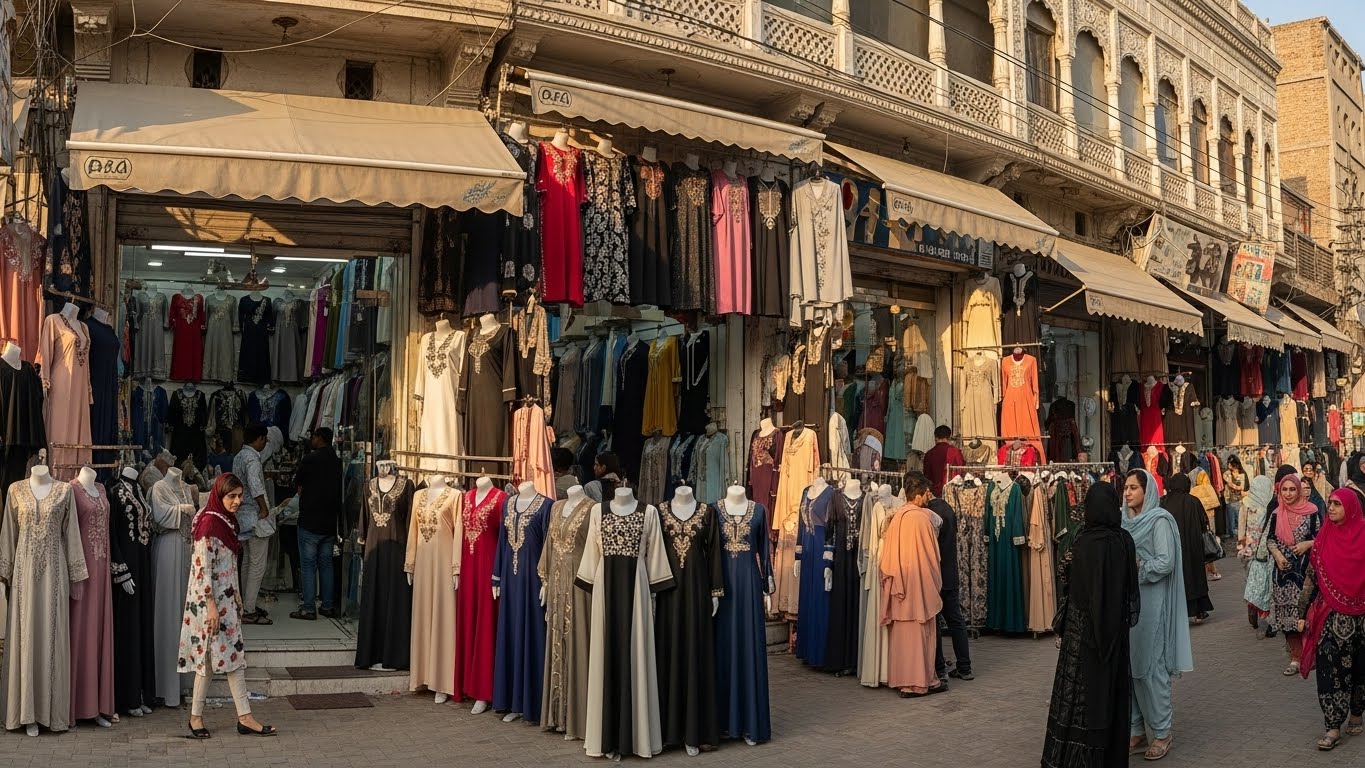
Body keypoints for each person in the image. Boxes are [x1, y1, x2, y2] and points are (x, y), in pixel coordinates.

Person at [1041, 482, 1140, 768]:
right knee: (1111, 692)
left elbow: (1067, 581)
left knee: (1078, 697)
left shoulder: (1081, 541)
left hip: (1080, 632)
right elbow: (1131, 592)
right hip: (1114, 634)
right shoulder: (1123, 540)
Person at [181, 474, 277, 738]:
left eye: (239, 495)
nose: (237, 501)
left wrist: (236, 596)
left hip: (225, 601)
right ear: (219, 495)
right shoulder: (210, 523)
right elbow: (202, 568)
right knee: (210, 660)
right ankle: (201, 718)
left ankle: (240, 717)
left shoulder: (224, 521)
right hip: (210, 603)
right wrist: (212, 605)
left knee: (229, 658)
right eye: (231, 496)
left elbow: (228, 564)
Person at [1121, 469, 1193, 762]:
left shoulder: (1159, 521)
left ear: (1147, 491)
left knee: (1152, 668)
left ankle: (1162, 732)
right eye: (1125, 488)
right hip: (1128, 604)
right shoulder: (1123, 521)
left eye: (1133, 488)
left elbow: (1166, 561)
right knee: (1129, 668)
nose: (1127, 493)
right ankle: (1136, 729)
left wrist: (1138, 568)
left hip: (1152, 603)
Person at [1296, 489, 1365, 751]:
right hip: (1331, 618)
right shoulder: (1324, 538)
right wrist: (1301, 612)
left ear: (1351, 507)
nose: (1332, 508)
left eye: (1337, 504)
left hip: (1362, 619)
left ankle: (1357, 712)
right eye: (1330, 504)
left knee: (1360, 670)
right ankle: (1333, 726)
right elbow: (1312, 578)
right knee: (1329, 671)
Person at [879, 472, 945, 698]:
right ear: (918, 495)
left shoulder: (897, 517)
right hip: (919, 588)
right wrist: (934, 583)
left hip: (899, 587)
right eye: (927, 493)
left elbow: (887, 557)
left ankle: (902, 680)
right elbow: (932, 557)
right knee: (921, 637)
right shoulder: (922, 518)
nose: (929, 497)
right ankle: (920, 682)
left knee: (902, 638)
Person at [1267, 473, 1322, 676]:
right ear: (1279, 491)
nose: (1288, 494)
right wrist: (1278, 555)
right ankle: (1296, 658)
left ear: (1299, 490)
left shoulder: (1312, 512)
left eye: (1292, 489)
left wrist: (1308, 543)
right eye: (1284, 490)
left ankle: (1312, 653)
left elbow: (1323, 536)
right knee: (1288, 618)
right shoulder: (1275, 514)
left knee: (1308, 614)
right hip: (1284, 574)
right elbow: (1270, 539)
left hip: (1307, 572)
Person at [291, 427, 342, 620]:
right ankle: (327, 606)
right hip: (329, 521)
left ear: (319, 438)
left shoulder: (310, 459)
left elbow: (298, 483)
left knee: (308, 565)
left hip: (310, 520)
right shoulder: (336, 461)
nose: (311, 439)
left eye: (313, 436)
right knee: (326, 564)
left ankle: (309, 607)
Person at [927, 493, 972, 681]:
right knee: (955, 621)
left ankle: (939, 668)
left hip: (937, 575)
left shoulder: (930, 513)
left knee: (935, 622)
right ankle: (964, 667)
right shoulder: (947, 508)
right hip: (950, 574)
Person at [233, 423, 274, 625]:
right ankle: (248, 609)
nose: (265, 442)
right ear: (259, 439)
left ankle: (245, 604)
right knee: (257, 564)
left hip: (243, 514)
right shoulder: (252, 459)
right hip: (255, 515)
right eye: (264, 439)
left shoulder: (239, 456)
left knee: (248, 561)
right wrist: (264, 508)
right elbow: (256, 485)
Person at [1160, 474, 1213, 623]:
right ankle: (1196, 611)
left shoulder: (1163, 502)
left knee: (1175, 580)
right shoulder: (1193, 501)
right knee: (1194, 577)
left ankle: (1175, 613)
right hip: (1193, 547)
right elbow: (1204, 523)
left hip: (1170, 547)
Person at [1239, 475, 1275, 635]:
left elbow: (1241, 527)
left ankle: (1252, 607)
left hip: (1249, 550)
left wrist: (1240, 545)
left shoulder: (1246, 504)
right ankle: (1261, 609)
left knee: (1251, 580)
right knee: (1264, 581)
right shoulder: (1270, 504)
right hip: (1264, 550)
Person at [922, 426, 965, 498]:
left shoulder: (929, 454)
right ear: (949, 437)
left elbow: (926, 475)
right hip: (952, 493)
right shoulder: (955, 452)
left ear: (935, 437)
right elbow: (961, 471)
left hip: (933, 494)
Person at [1223, 455, 1248, 543]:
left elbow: (1241, 487)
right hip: (1229, 499)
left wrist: (1234, 486)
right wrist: (1235, 486)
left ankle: (1239, 537)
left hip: (1239, 499)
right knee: (1231, 520)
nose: (1228, 465)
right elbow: (1229, 482)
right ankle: (1232, 536)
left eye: (1230, 463)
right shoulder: (1227, 473)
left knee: (1239, 519)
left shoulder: (1242, 473)